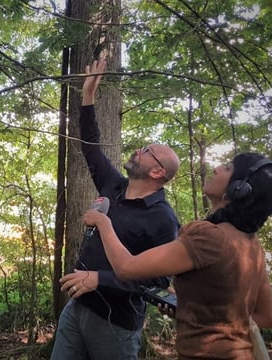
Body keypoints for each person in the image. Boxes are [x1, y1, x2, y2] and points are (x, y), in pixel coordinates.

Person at [83, 152, 272, 359]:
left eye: (227, 168)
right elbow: (265, 317)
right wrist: (189, 310)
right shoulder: (252, 245)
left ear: (238, 191)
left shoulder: (209, 236)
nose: (216, 168)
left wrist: (103, 222)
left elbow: (126, 267)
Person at [50, 59, 181, 360]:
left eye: (148, 151)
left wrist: (100, 278)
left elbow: (159, 281)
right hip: (77, 306)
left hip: (115, 324)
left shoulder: (163, 218)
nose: (139, 150)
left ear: (158, 173)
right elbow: (90, 146)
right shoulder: (114, 186)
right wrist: (88, 95)